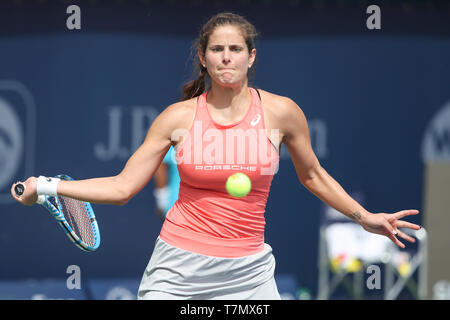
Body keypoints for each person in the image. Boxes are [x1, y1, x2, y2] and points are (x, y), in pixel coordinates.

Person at [11, 12, 421, 300]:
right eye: (218, 49)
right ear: (204, 58)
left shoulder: (282, 112)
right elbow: (122, 187)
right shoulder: (179, 117)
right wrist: (47, 186)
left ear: (251, 56)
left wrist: (365, 217)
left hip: (249, 271)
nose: (227, 57)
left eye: (236, 49)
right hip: (178, 268)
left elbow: (312, 174)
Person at [153, 146, 180, 219]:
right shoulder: (177, 139)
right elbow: (161, 166)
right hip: (176, 207)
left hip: (206, 209)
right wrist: (162, 200)